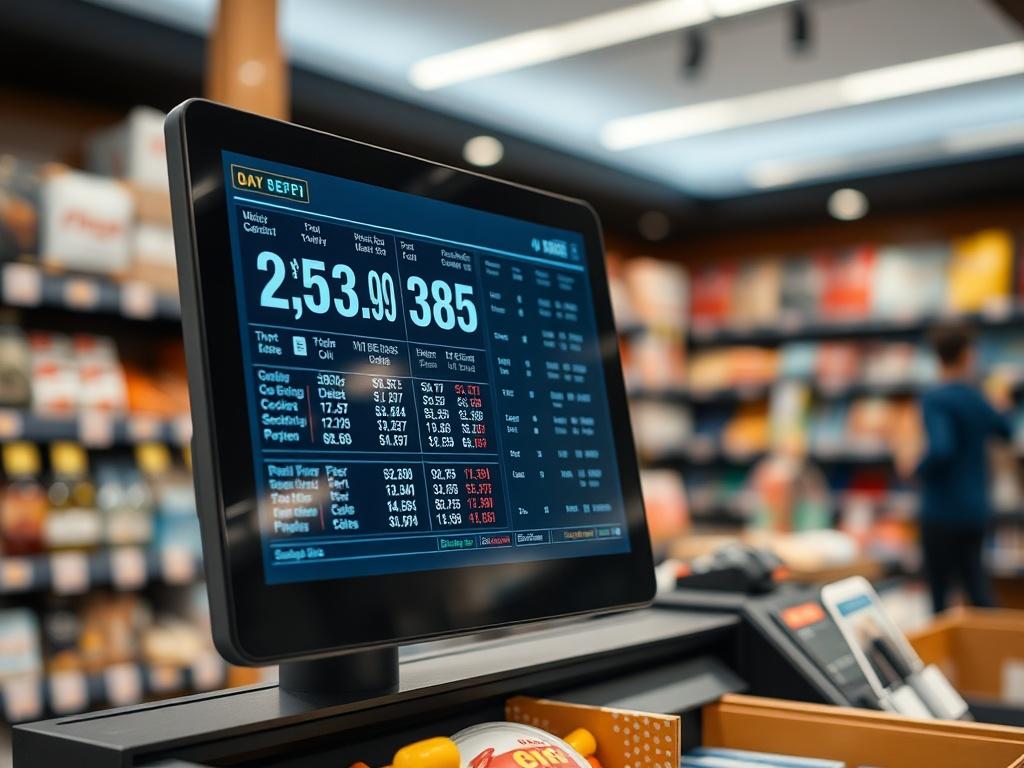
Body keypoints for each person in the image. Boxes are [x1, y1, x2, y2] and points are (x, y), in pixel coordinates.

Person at [897, 321, 1012, 614]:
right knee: (977, 586)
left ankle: (945, 659)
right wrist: (1001, 403)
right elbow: (1005, 430)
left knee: (939, 593)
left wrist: (915, 468)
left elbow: (941, 448)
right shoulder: (977, 397)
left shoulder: (936, 399)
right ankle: (994, 653)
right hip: (975, 508)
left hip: (941, 510)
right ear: (968, 355)